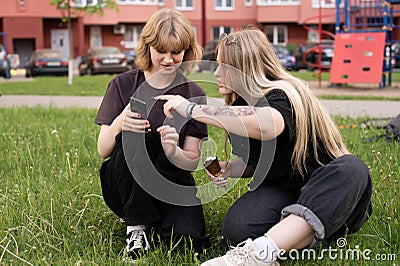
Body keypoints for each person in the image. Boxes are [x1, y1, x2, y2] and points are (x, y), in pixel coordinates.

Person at [156, 26, 372, 265]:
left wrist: (192, 109)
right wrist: (232, 168)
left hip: (328, 188)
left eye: (224, 67)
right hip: (285, 190)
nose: (217, 73)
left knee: (352, 168)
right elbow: (257, 163)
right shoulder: (240, 104)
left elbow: (267, 125)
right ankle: (292, 236)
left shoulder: (283, 94)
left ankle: (260, 252)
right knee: (236, 229)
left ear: (244, 68)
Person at [95, 8, 209, 260]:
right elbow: (103, 150)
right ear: (147, 48)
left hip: (172, 184)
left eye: (176, 52)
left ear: (187, 52)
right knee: (136, 129)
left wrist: (174, 151)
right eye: (161, 51)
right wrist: (119, 123)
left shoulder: (194, 93)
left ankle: (154, 220)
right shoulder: (123, 84)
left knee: (190, 243)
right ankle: (136, 227)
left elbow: (192, 159)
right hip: (125, 184)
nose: (168, 59)